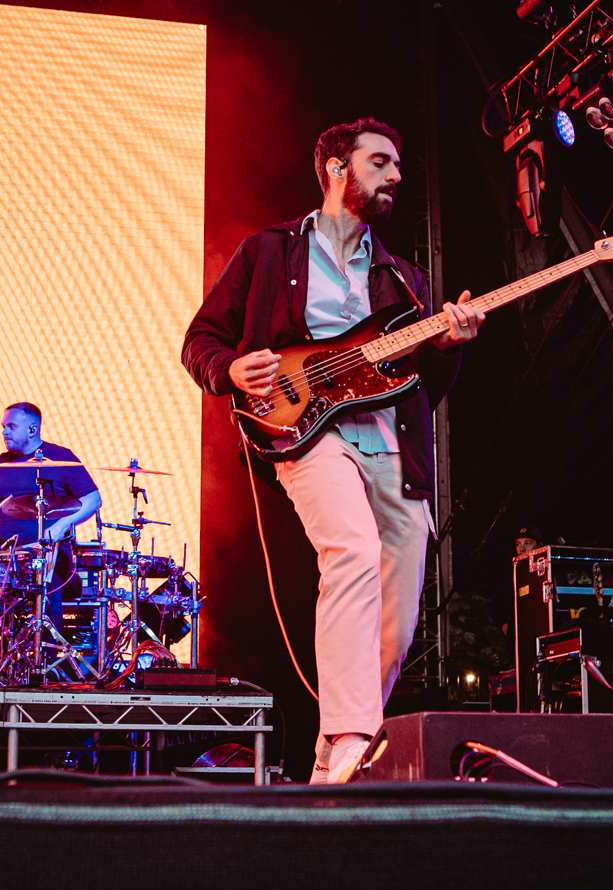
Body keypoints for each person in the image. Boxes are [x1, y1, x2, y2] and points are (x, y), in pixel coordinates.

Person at [182, 118, 484, 784]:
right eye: (381, 161)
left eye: (399, 165)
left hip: (393, 451)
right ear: (335, 168)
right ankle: (352, 732)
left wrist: (448, 346)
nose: (396, 175)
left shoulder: (402, 281)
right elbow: (200, 339)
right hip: (306, 435)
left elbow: (424, 389)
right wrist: (231, 370)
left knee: (396, 623)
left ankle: (331, 766)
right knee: (351, 548)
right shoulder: (269, 253)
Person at [0, 402, 102, 629]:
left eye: (11, 426)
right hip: (5, 557)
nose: (4, 432)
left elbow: (92, 499)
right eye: (3, 426)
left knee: (45, 582)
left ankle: (47, 654)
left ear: (32, 429)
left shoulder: (60, 458)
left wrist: (63, 525)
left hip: (51, 555)